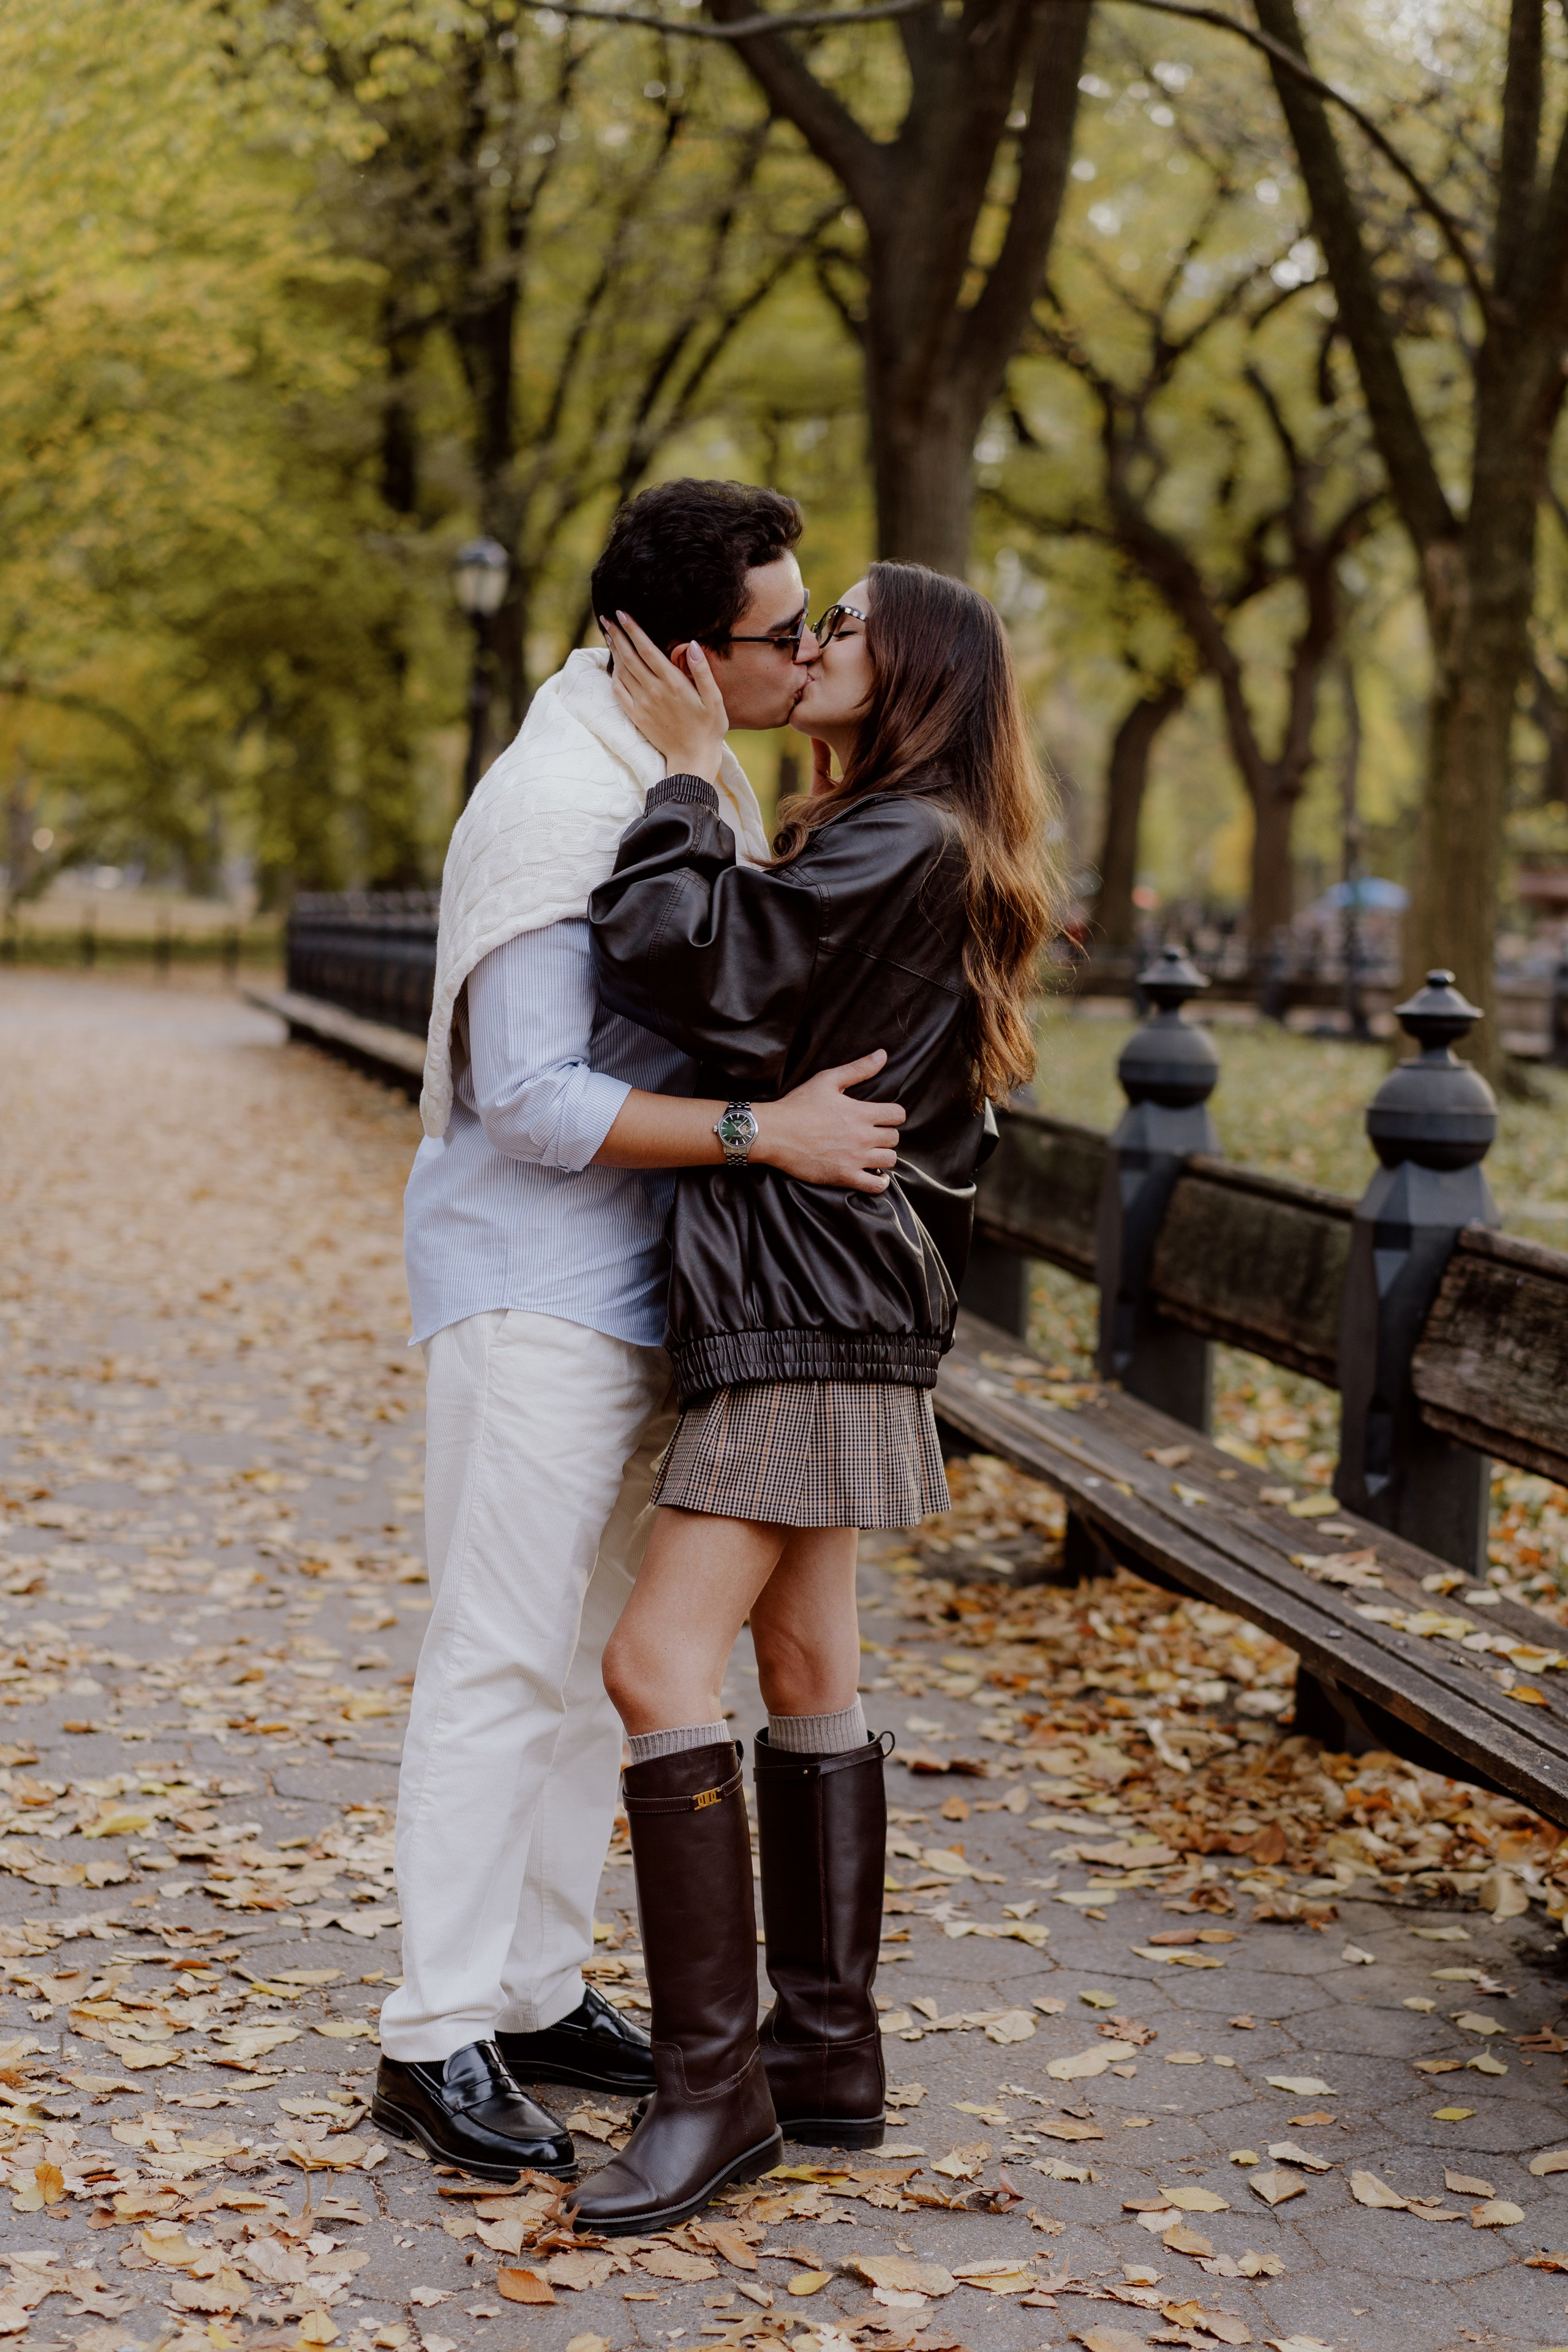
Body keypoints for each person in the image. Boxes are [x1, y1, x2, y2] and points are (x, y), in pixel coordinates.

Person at [371, 482, 907, 2183]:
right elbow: (531, 1096)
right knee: (499, 1654)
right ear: (689, 653)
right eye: (782, 631)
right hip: (538, 1289)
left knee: (593, 1664)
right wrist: (768, 1137)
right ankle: (432, 2033)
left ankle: (533, 1992)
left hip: (650, 1294)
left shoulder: (675, 773)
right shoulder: (555, 804)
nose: (808, 652)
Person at [571, 560, 1057, 2233]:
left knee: (653, 1666)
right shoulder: (909, 838)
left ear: (917, 673)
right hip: (841, 1296)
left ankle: (715, 2095)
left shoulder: (901, 838)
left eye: (846, 624)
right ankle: (827, 2055)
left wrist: (682, 780)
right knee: (806, 1663)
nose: (814, 642)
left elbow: (681, 959)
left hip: (807, 1301)